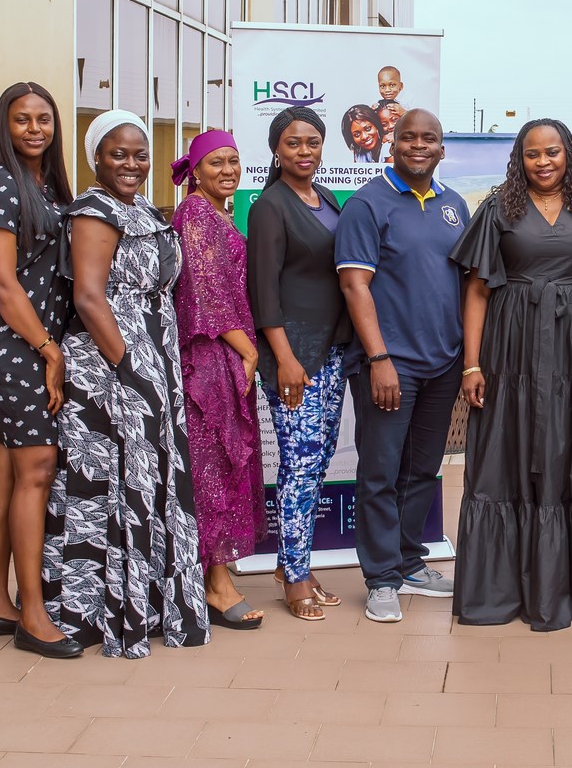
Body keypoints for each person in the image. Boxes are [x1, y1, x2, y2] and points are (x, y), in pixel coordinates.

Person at [453, 119, 572, 630]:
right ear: (520, 158)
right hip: (511, 351)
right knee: (509, 456)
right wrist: (472, 363)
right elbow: (476, 291)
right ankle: (505, 589)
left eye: (552, 152)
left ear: (569, 155)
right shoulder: (498, 208)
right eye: (532, 154)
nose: (543, 162)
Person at [44, 110, 209, 655]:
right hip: (111, 367)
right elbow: (89, 297)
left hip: (153, 356)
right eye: (118, 153)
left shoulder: (140, 208)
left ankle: (151, 604)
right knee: (113, 482)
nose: (131, 163)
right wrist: (131, 371)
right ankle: (103, 613)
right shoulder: (93, 210)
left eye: (140, 154)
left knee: (150, 477)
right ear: (96, 158)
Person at [336, 108, 469, 623]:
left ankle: (410, 562)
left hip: (442, 364)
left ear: (441, 148)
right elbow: (354, 285)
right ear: (393, 145)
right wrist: (379, 359)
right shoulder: (368, 205)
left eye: (429, 138)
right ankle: (381, 578)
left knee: (421, 469)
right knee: (379, 471)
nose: (418, 145)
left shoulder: (454, 205)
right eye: (409, 137)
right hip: (389, 365)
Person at [0, 82, 82, 659]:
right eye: (21, 120)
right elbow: (1, 280)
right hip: (14, 344)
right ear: (3, 126)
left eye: (43, 119)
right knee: (37, 466)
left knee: (9, 467)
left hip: (39, 343)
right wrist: (46, 347)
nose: (34, 129)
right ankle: (32, 613)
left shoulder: (48, 184)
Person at [247, 107, 351, 621]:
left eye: (312, 142)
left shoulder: (326, 198)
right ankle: (293, 574)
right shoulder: (271, 206)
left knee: (316, 460)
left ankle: (298, 564)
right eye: (293, 143)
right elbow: (263, 292)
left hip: (331, 350)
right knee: (300, 466)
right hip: (294, 358)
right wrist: (284, 359)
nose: (304, 151)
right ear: (276, 150)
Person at [171, 129, 265, 630]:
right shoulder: (194, 214)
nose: (227, 171)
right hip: (209, 361)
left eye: (233, 161)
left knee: (224, 466)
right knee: (211, 467)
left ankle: (218, 572)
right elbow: (205, 292)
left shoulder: (215, 213)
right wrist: (248, 351)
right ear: (196, 169)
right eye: (216, 164)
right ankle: (215, 584)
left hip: (224, 357)